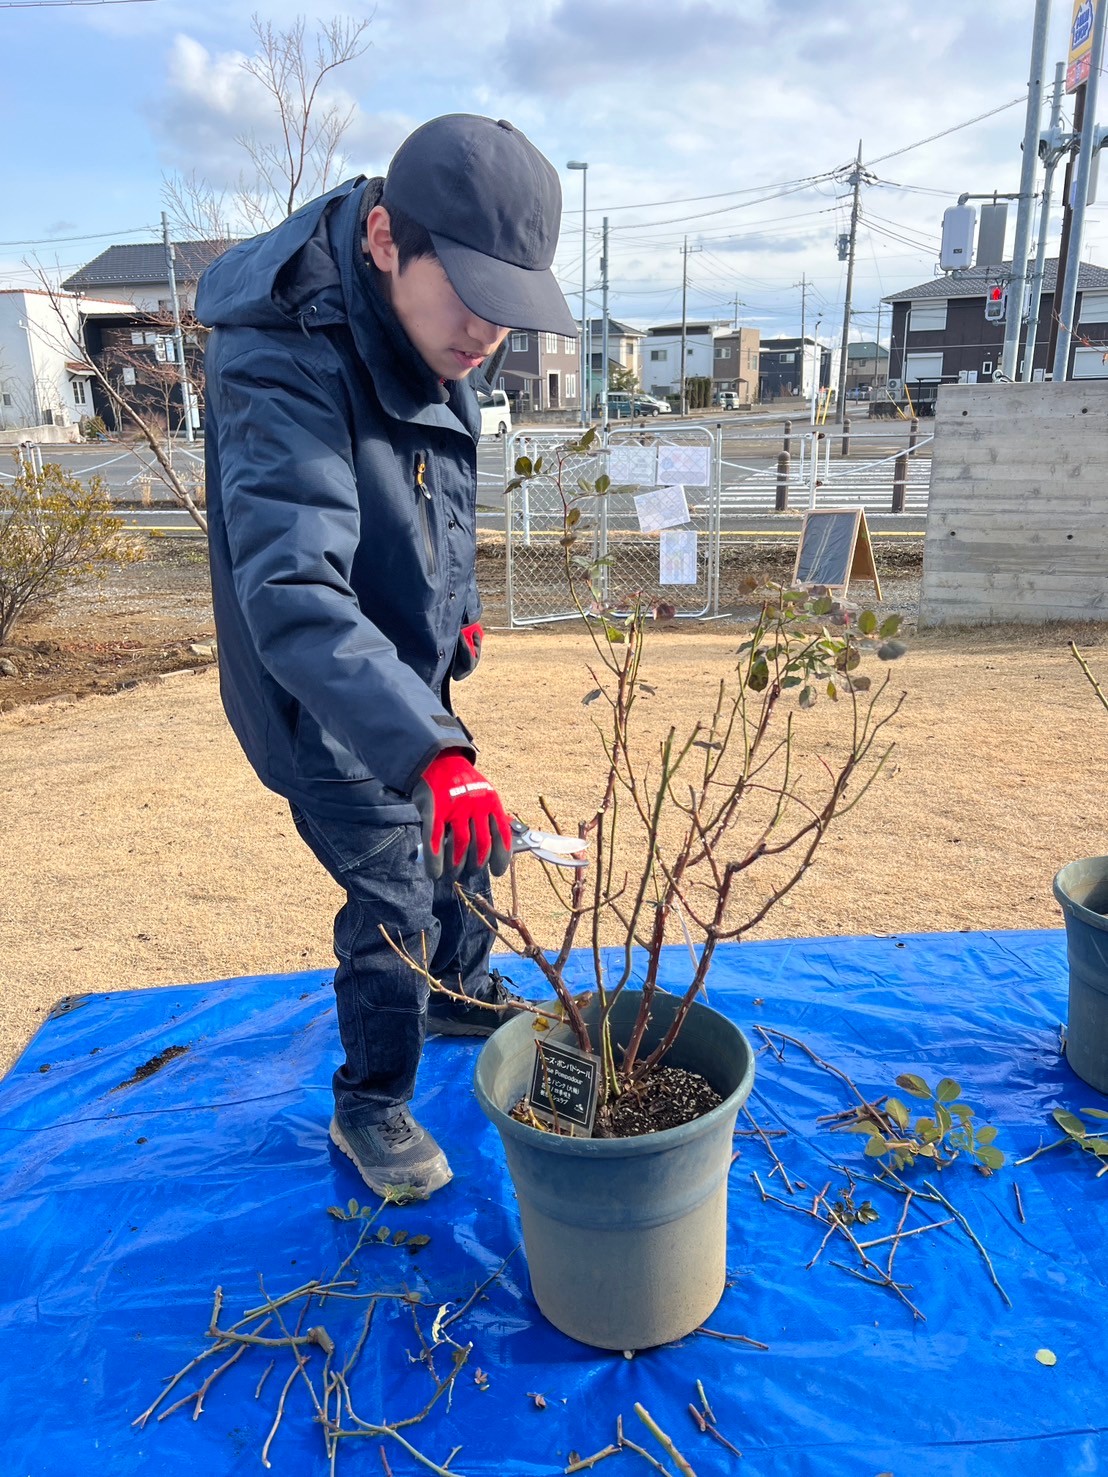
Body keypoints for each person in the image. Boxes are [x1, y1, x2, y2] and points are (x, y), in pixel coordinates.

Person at [196, 115, 577, 1198]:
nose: (485, 334)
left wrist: (450, 612)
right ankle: (371, 1101)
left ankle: (456, 989)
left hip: (405, 676)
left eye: (507, 308)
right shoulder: (280, 354)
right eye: (467, 297)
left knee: (466, 840)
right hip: (313, 690)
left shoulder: (428, 321)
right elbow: (297, 593)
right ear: (380, 239)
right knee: (397, 894)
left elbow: (428, 485)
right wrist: (428, 748)